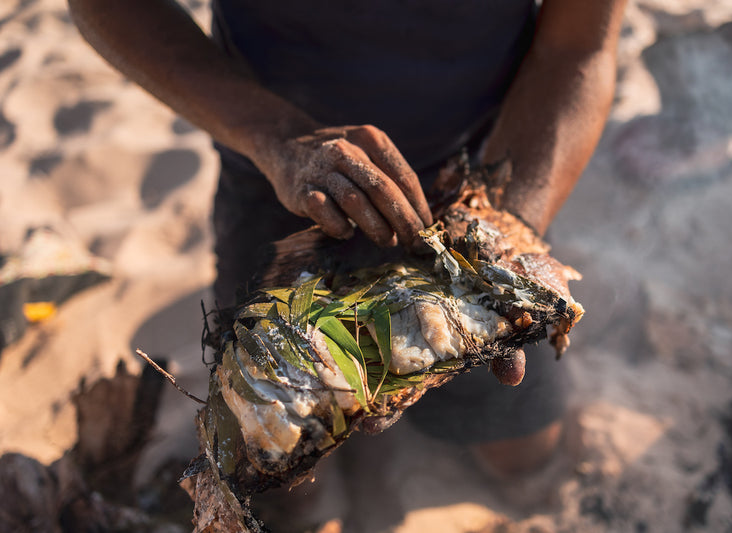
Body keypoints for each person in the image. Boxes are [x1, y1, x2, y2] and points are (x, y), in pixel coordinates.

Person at [68, 0, 626, 491]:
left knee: (521, 457)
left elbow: (579, 45)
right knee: (273, 461)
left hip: (477, 175)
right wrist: (274, 134)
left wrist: (504, 227)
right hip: (280, 174)